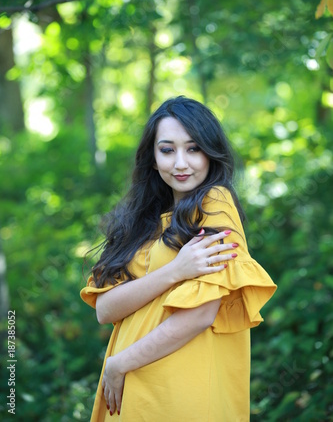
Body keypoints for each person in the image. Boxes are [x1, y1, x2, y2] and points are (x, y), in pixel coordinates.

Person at [80, 96, 277, 421]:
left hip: (182, 393)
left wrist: (119, 363)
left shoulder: (215, 204)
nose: (181, 163)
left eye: (194, 148)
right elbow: (105, 309)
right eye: (168, 150)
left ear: (211, 153)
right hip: (131, 393)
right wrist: (174, 271)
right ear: (153, 158)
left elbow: (200, 315)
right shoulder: (139, 221)